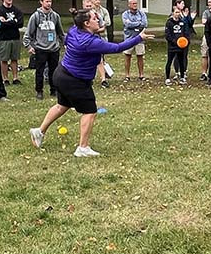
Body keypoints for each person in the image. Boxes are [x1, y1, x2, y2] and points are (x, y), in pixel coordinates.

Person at [29, 9, 152, 156]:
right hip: (74, 80)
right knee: (90, 111)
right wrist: (139, 38)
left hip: (61, 74)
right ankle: (83, 147)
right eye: (95, 18)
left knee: (62, 105)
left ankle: (39, 131)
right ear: (86, 23)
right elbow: (117, 48)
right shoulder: (90, 42)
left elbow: (68, 39)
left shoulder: (75, 29)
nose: (98, 20)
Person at [23, 0, 65, 100]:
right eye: (46, 1)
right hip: (41, 48)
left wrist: (65, 44)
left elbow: (60, 32)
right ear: (41, 2)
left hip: (53, 48)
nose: (49, 4)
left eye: (50, 1)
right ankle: (39, 91)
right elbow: (28, 33)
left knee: (54, 71)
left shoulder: (55, 16)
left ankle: (54, 89)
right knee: (40, 71)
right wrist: (28, 46)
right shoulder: (35, 16)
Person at [0, 0, 24, 86]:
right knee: (4, 59)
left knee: (14, 59)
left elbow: (20, 24)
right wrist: (13, 22)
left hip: (15, 38)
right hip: (3, 39)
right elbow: (0, 25)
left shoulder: (17, 10)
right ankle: (5, 79)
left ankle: (15, 77)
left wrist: (6, 22)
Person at [122, 0, 148, 81]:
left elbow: (144, 24)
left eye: (136, 3)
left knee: (140, 56)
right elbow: (127, 24)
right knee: (127, 56)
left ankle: (141, 75)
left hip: (139, 38)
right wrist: (138, 23)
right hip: (129, 38)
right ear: (129, 4)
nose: (135, 5)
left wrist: (133, 24)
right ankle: (127, 75)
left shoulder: (141, 13)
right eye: (133, 3)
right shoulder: (125, 14)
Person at [164, 7, 191, 85]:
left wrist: (186, 41)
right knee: (169, 61)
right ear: (173, 13)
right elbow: (167, 35)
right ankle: (167, 78)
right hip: (172, 46)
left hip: (181, 46)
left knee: (181, 61)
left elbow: (186, 33)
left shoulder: (182, 22)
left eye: (179, 12)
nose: (177, 14)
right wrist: (175, 42)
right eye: (176, 12)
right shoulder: (169, 22)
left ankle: (182, 77)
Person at [91, 0, 111, 88]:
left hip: (103, 36)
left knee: (101, 57)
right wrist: (98, 27)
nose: (98, 1)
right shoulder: (90, 11)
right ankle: (102, 77)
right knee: (97, 58)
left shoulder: (104, 11)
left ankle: (104, 74)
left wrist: (99, 27)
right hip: (93, 37)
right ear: (92, 1)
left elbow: (108, 22)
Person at [200, 0, 211, 81]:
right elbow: (204, 22)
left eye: (210, 2)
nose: (209, 4)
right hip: (207, 35)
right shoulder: (206, 12)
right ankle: (204, 73)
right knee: (204, 54)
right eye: (208, 2)